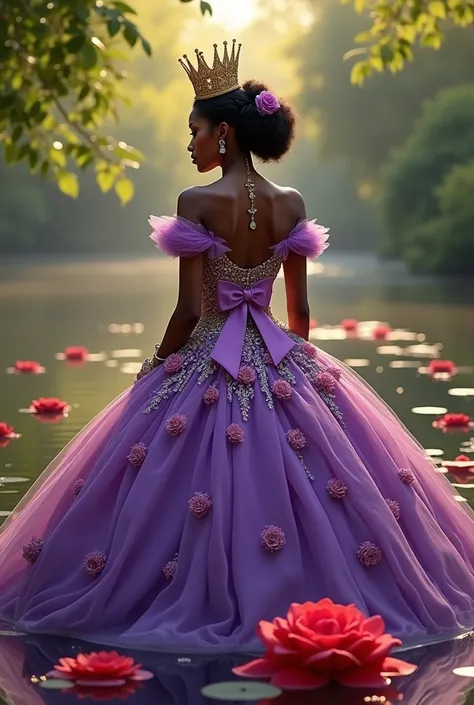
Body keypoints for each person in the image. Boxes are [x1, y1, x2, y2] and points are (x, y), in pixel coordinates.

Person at [0, 40, 473, 654]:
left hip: (209, 357)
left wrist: (158, 365)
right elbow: (299, 315)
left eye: (193, 130)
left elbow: (193, 309)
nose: (188, 143)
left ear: (223, 133)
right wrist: (298, 390)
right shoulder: (291, 205)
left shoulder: (195, 204)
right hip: (284, 362)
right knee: (326, 488)